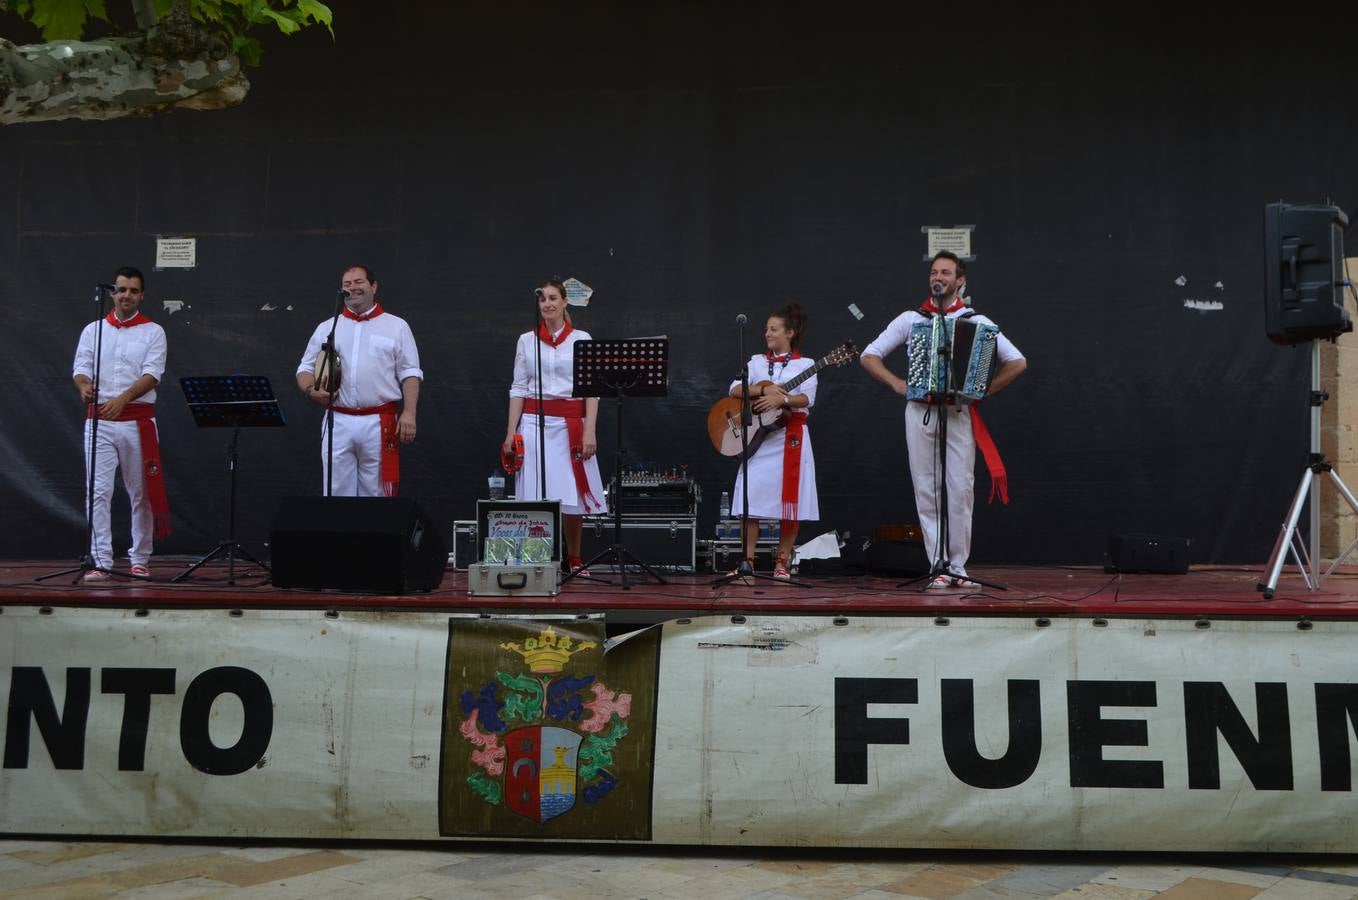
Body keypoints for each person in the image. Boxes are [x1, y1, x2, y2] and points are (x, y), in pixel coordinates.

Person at [860, 251, 1026, 588]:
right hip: (920, 412)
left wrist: (983, 390)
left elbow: (1017, 361)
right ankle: (937, 563)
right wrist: (896, 383)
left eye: (946, 272)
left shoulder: (976, 321)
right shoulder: (912, 319)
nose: (939, 276)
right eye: (934, 271)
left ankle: (958, 565)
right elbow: (869, 354)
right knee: (926, 488)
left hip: (959, 412)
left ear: (960, 280)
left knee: (961, 488)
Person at [71, 266, 171, 582]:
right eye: (121, 289)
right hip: (99, 421)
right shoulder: (93, 330)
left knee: (140, 493)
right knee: (97, 492)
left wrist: (124, 398)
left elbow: (152, 374)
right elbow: (80, 368)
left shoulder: (153, 331)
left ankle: (139, 559)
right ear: (112, 292)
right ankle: (100, 559)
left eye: (132, 290)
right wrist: (84, 385)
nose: (126, 295)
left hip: (136, 421)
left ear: (141, 295)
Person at [503, 280, 607, 574]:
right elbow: (518, 388)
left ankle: (574, 558)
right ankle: (537, 560)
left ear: (564, 302)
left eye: (552, 298)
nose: (547, 304)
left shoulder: (582, 338)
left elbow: (592, 390)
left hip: (571, 425)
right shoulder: (526, 340)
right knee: (535, 494)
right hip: (534, 424)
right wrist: (511, 432)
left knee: (571, 497)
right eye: (542, 300)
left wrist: (590, 430)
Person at [295, 265, 422, 497]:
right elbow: (304, 368)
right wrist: (310, 390)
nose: (352, 287)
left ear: (373, 286)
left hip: (379, 420)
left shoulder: (396, 326)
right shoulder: (327, 327)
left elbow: (410, 372)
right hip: (338, 420)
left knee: (376, 495)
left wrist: (410, 413)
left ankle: (373, 535)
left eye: (358, 282)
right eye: (347, 284)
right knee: (335, 493)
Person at [727, 303, 820, 580]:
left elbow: (807, 399)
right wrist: (762, 389)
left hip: (791, 438)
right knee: (750, 499)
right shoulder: (755, 362)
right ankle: (748, 561)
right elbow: (733, 389)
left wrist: (784, 399)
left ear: (789, 333)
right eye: (767, 328)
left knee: (790, 504)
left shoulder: (806, 365)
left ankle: (782, 561)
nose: (767, 333)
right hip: (759, 440)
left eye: (773, 329)